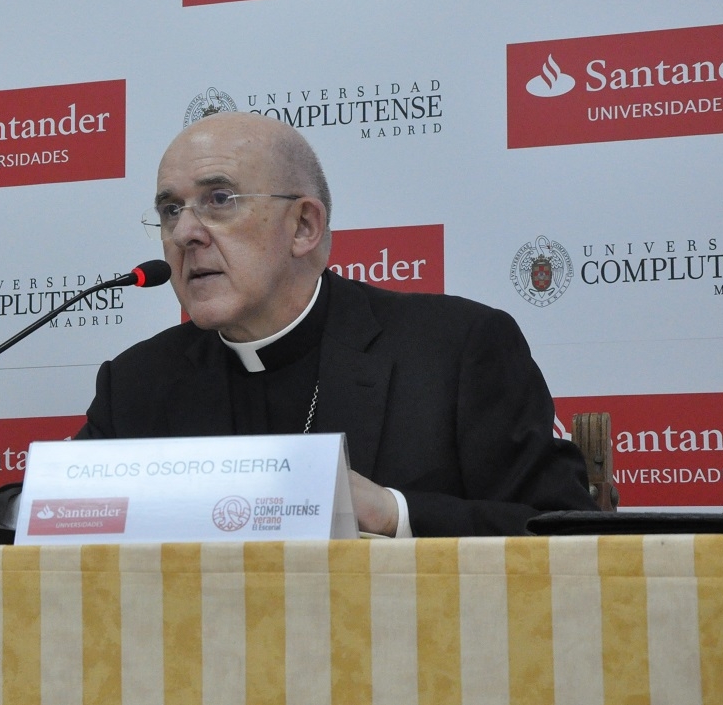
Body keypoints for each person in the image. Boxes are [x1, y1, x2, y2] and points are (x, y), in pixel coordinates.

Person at [77, 112, 595, 536]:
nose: (186, 232)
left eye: (219, 200)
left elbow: (565, 529)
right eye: (170, 209)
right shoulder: (138, 382)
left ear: (304, 225)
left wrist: (394, 512)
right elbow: (39, 511)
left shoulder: (455, 349)